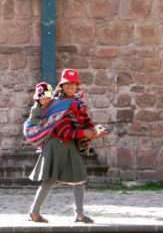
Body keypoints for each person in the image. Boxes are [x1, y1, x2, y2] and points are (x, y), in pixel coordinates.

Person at [28, 69, 107, 224]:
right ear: (61, 86)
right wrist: (83, 133)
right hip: (56, 143)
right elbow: (63, 130)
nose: (70, 86)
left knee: (78, 177)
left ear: (77, 85)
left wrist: (96, 131)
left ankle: (79, 215)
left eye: (73, 83)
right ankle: (34, 212)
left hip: (69, 144)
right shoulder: (56, 104)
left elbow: (86, 122)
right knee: (50, 179)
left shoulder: (78, 104)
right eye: (67, 84)